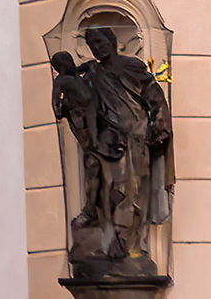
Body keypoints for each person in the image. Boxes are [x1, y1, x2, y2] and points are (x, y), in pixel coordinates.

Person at [48, 22, 172, 281]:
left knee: (137, 193)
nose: (98, 48)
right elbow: (79, 94)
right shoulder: (92, 72)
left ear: (113, 41)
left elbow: (154, 94)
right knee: (111, 190)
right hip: (108, 141)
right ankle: (111, 244)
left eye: (102, 42)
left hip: (137, 136)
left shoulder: (132, 66)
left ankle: (132, 248)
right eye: (93, 45)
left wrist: (160, 123)